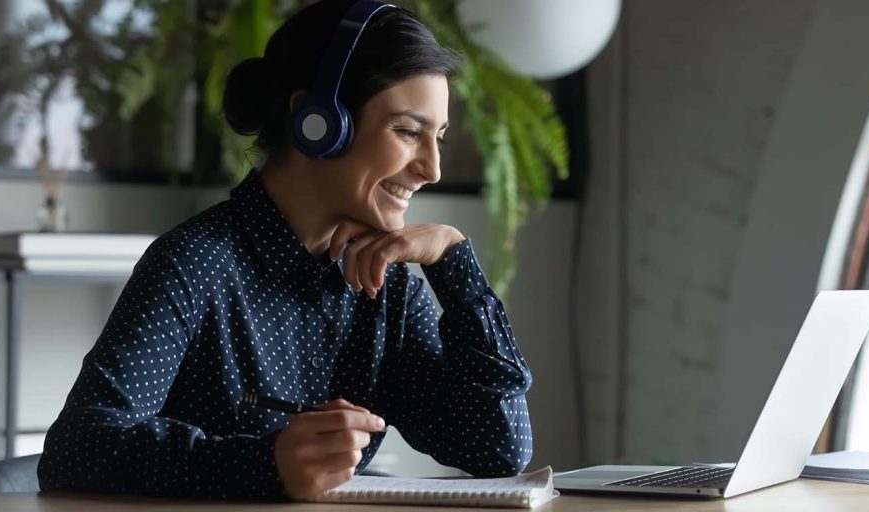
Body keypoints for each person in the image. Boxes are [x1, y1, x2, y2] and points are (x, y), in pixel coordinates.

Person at [37, 0, 533, 501]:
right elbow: (76, 451)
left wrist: (454, 264)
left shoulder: (388, 286)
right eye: (408, 132)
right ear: (316, 123)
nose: (432, 169)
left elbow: (499, 449)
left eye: (438, 138)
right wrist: (267, 464)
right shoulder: (194, 263)